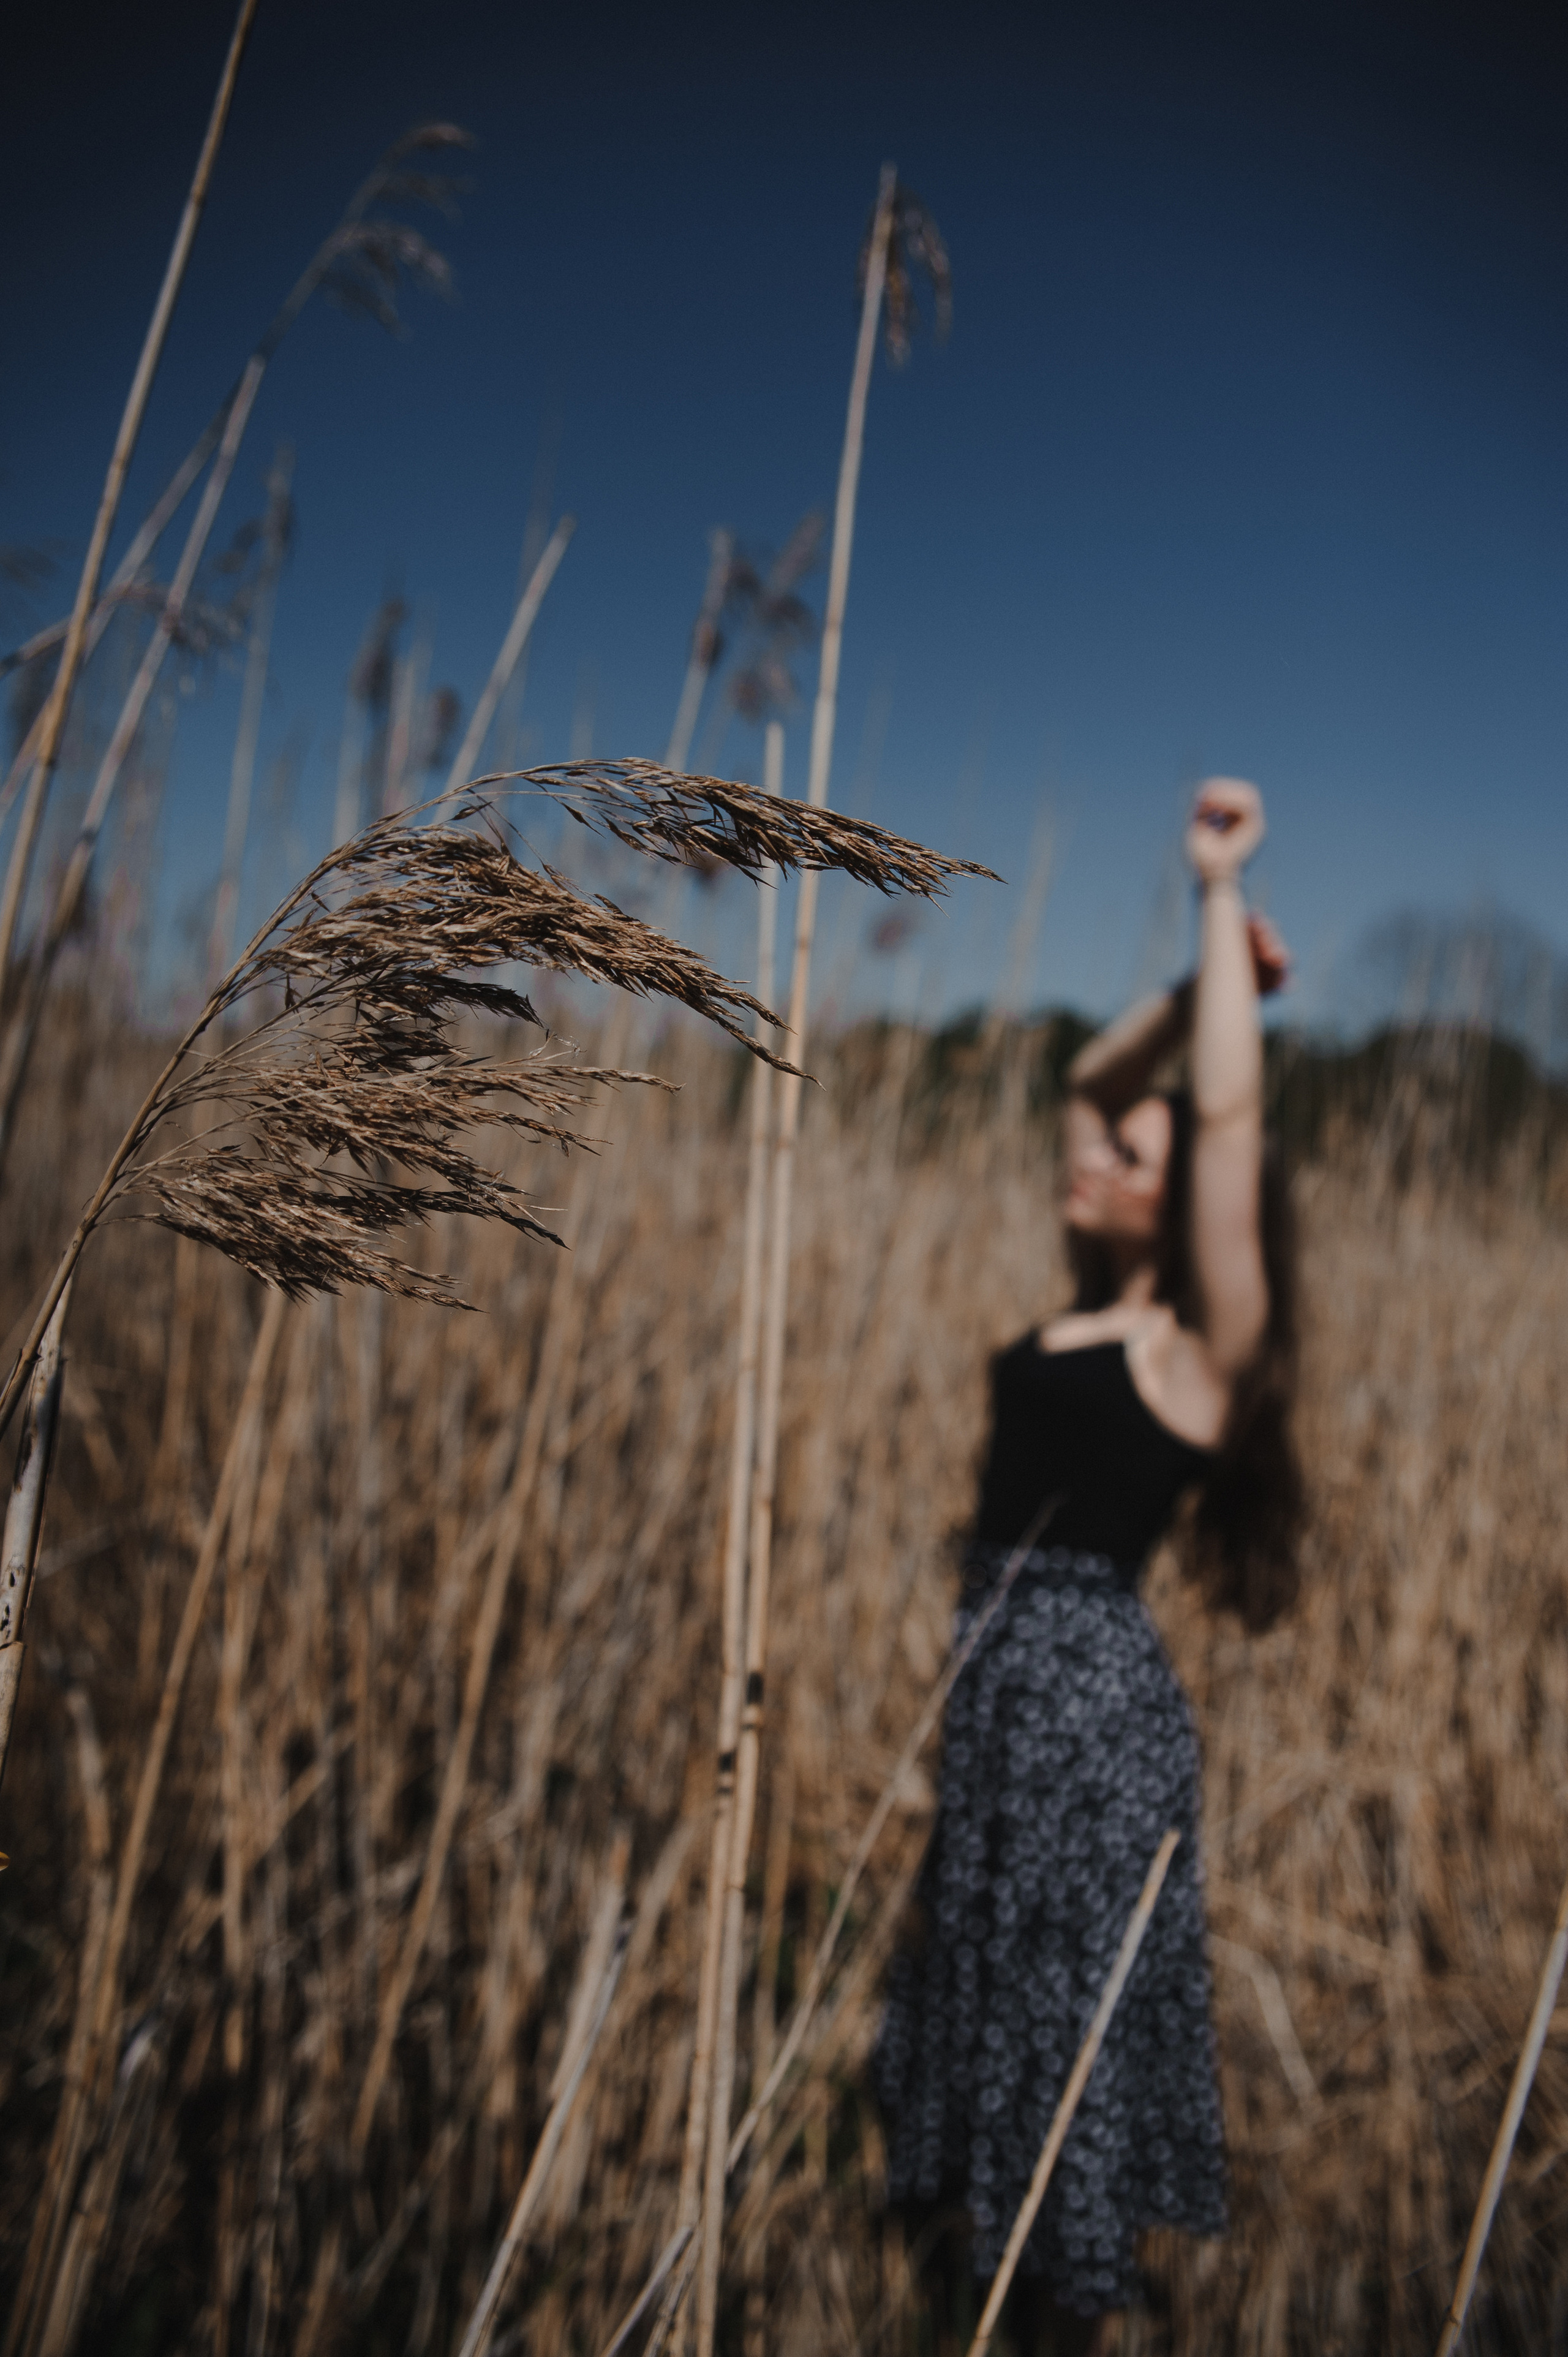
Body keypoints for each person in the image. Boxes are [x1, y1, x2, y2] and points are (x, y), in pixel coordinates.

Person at [872, 778, 1303, 2356]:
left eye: (1130, 1149)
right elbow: (1093, 1069)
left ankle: (1052, 2319)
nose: (1094, 1146)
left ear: (1176, 1185)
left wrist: (1213, 889)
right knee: (996, 2004)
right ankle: (988, 2292)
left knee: (1069, 2040)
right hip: (995, 1700)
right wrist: (1208, 988)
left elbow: (1227, 1123)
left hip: (1090, 1720)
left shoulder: (1199, 1349)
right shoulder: (1074, 1301)